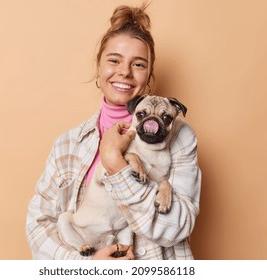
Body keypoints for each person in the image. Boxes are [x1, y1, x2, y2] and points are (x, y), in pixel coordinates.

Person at [26, 3, 201, 260]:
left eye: (138, 64)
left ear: (149, 74)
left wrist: (115, 164)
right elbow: (38, 228)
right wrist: (88, 266)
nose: (124, 72)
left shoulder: (180, 137)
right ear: (99, 66)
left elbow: (178, 226)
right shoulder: (68, 144)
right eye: (114, 60)